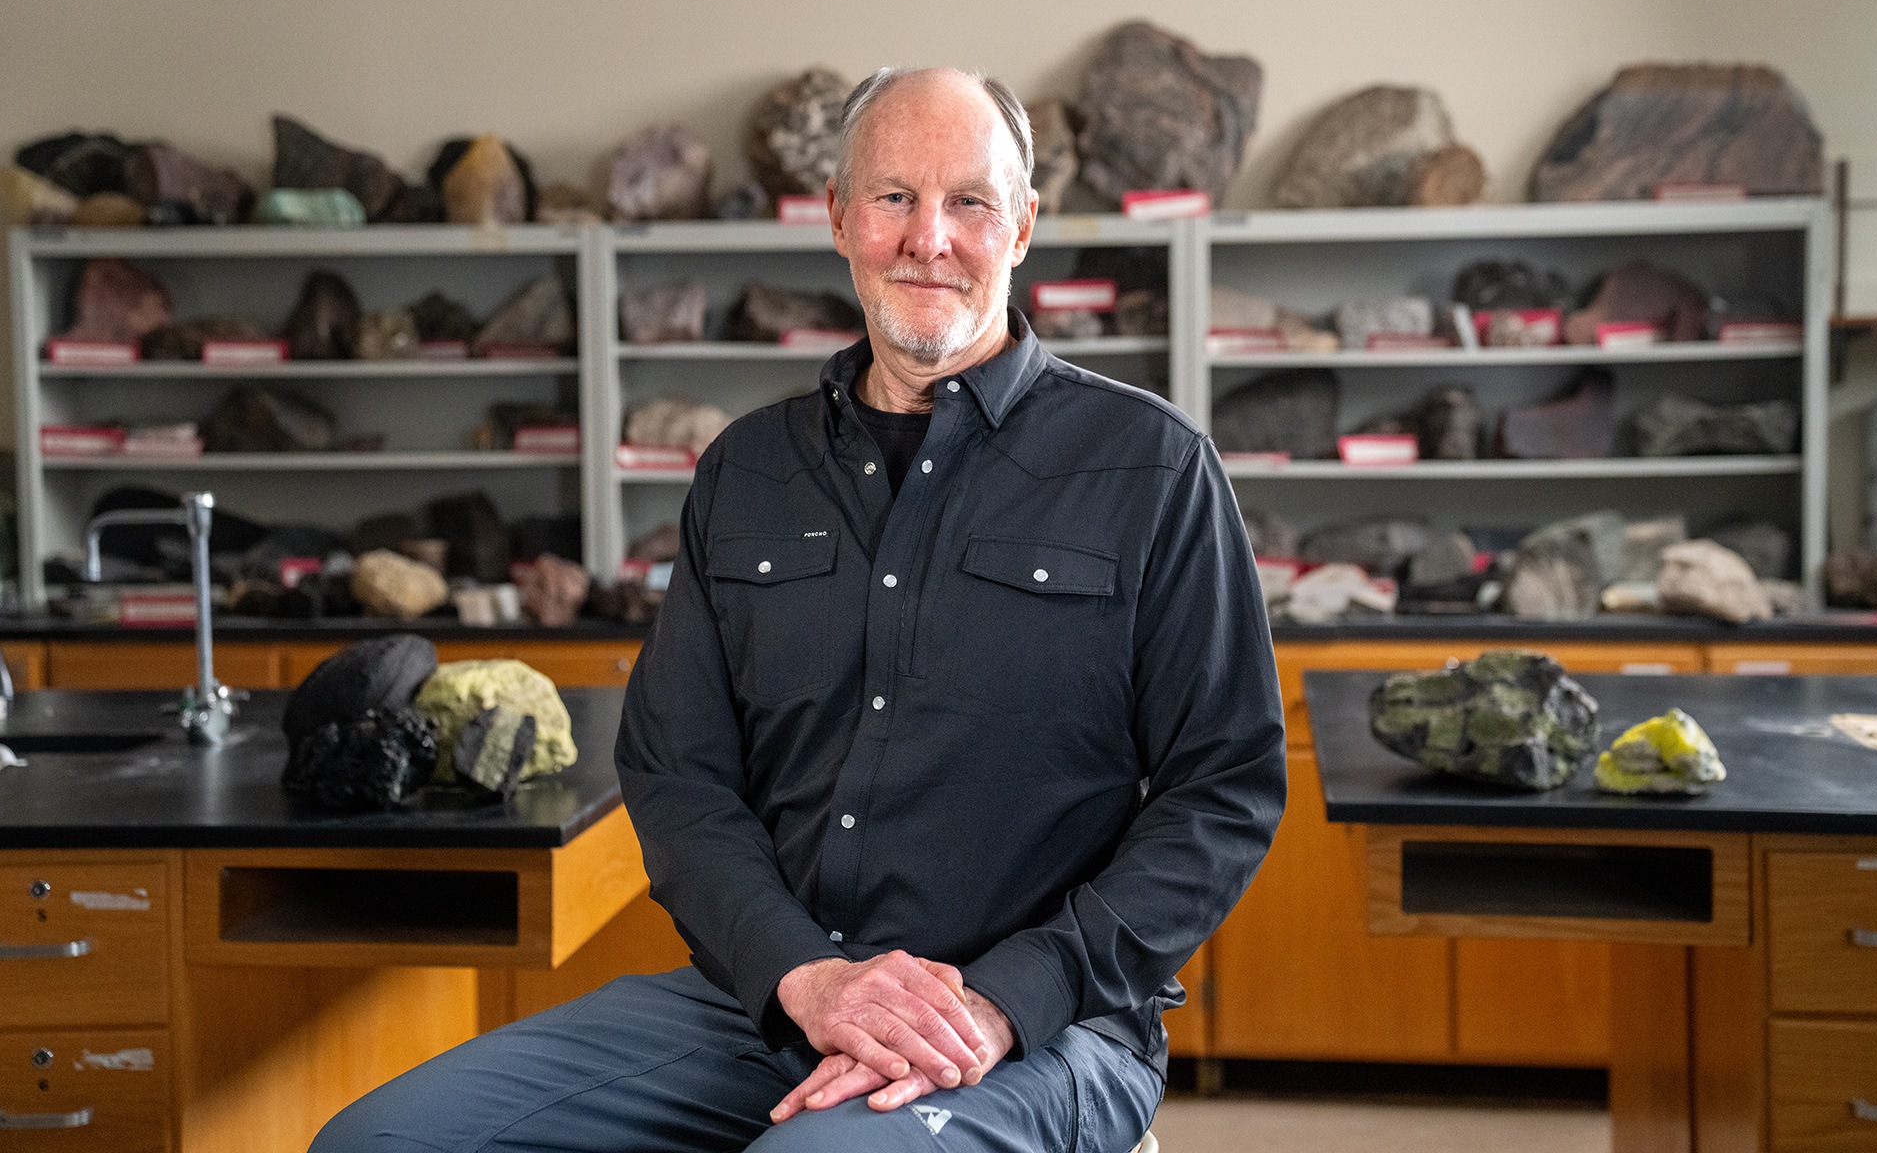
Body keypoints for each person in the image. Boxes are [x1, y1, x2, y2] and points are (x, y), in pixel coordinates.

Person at [310, 67, 1286, 1153]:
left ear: (1021, 228)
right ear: (836, 216)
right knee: (380, 1140)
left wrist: (1010, 994)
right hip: (770, 1006)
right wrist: (805, 975)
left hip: (1042, 1027)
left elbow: (1222, 790)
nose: (929, 237)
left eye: (969, 200)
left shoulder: (1151, 466)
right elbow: (680, 772)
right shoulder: (747, 470)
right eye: (893, 197)